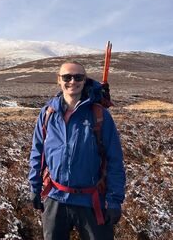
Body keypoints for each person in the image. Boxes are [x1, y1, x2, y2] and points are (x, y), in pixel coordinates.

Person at [28, 61, 125, 240]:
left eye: (78, 77)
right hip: (55, 196)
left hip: (92, 199)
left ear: (85, 80)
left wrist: (114, 200)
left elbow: (114, 160)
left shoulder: (100, 115)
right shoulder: (47, 113)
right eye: (67, 77)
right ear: (59, 80)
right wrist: (34, 186)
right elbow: (37, 151)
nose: (72, 81)